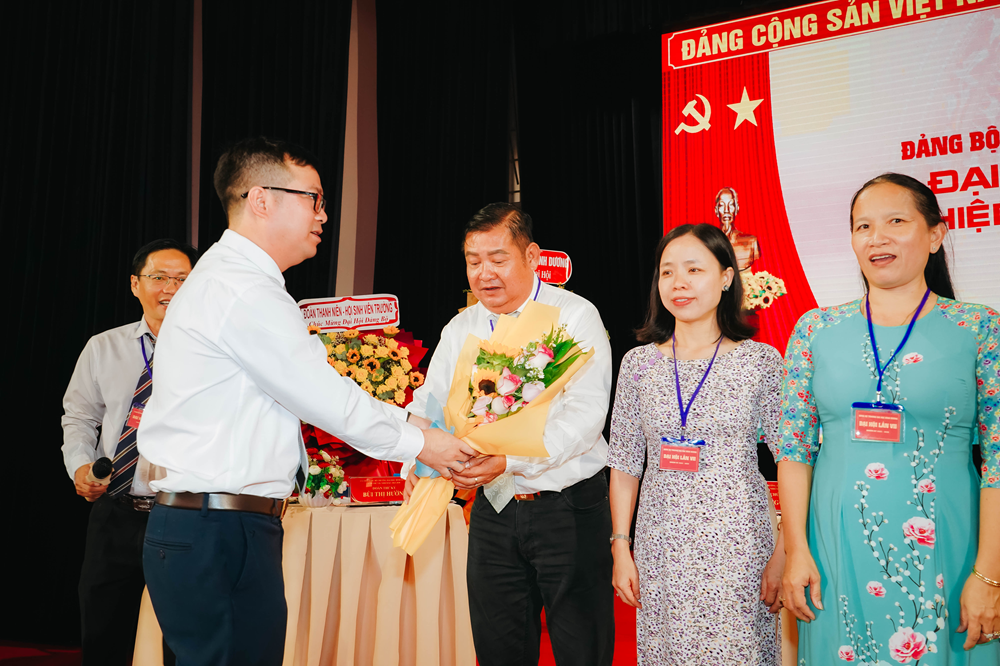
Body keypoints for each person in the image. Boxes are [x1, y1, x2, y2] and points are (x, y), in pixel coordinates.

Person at [136, 137, 475, 666]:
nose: (323, 215)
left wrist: (415, 423)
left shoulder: (232, 281)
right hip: (217, 528)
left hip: (212, 524)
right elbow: (324, 396)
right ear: (261, 199)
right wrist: (423, 443)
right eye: (313, 198)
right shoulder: (242, 289)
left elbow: (311, 389)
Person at [777, 173, 1000, 664]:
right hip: (834, 553)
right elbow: (793, 450)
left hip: (951, 550)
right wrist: (797, 551)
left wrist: (989, 574)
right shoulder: (815, 328)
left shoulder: (979, 327)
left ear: (936, 235)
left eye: (896, 221)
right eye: (863, 226)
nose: (876, 238)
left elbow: (999, 461)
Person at [404, 202, 616, 665]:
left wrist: (510, 460)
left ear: (532, 256)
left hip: (567, 507)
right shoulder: (462, 326)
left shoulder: (573, 316)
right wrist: (416, 458)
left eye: (498, 259)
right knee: (498, 648)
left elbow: (584, 418)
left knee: (582, 648)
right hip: (492, 509)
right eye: (473, 261)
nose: (484, 274)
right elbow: (429, 404)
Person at [607, 223, 784, 665]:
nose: (678, 283)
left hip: (739, 545)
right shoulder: (638, 364)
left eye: (694, 269)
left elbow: (794, 459)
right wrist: (620, 546)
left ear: (726, 278)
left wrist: (786, 550)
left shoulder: (760, 361)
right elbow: (625, 463)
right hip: (660, 546)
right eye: (667, 272)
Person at [62, 238, 196, 666]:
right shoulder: (103, 347)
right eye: (159, 277)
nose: (171, 288)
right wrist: (80, 467)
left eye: (183, 279)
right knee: (102, 635)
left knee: (184, 642)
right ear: (136, 284)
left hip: (184, 514)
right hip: (115, 512)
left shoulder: (213, 352)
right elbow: (79, 417)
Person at [714, 186, 760, 271]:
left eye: (731, 205)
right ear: (716, 211)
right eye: (722, 205)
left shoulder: (751, 242)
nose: (726, 210)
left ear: (736, 209)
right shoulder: (708, 244)